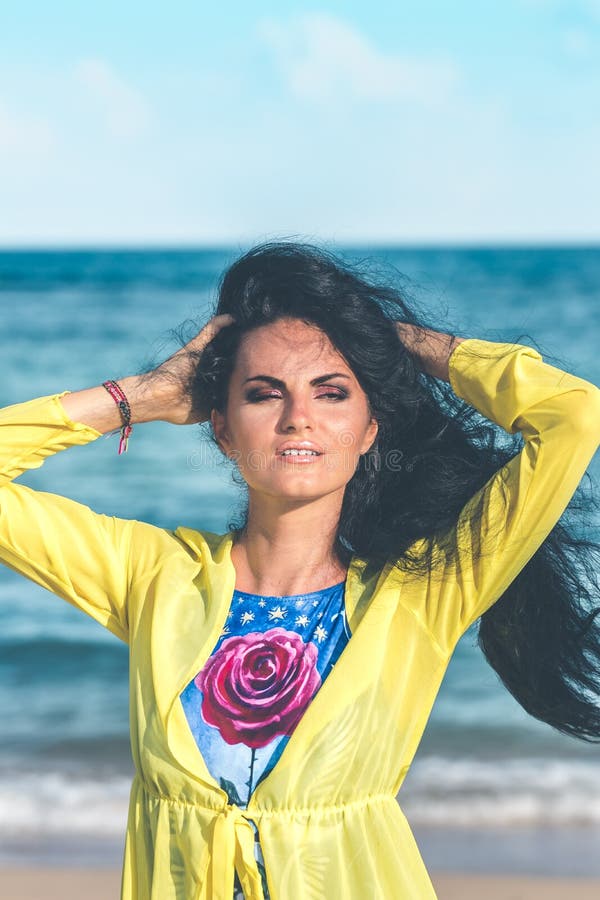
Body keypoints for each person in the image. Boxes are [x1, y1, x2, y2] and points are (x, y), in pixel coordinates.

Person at [1, 241, 600, 900]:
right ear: (223, 430)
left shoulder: (424, 593)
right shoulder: (155, 577)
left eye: (332, 391)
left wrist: (394, 340)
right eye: (264, 394)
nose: (298, 418)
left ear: (369, 428)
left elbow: (573, 416)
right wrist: (141, 396)